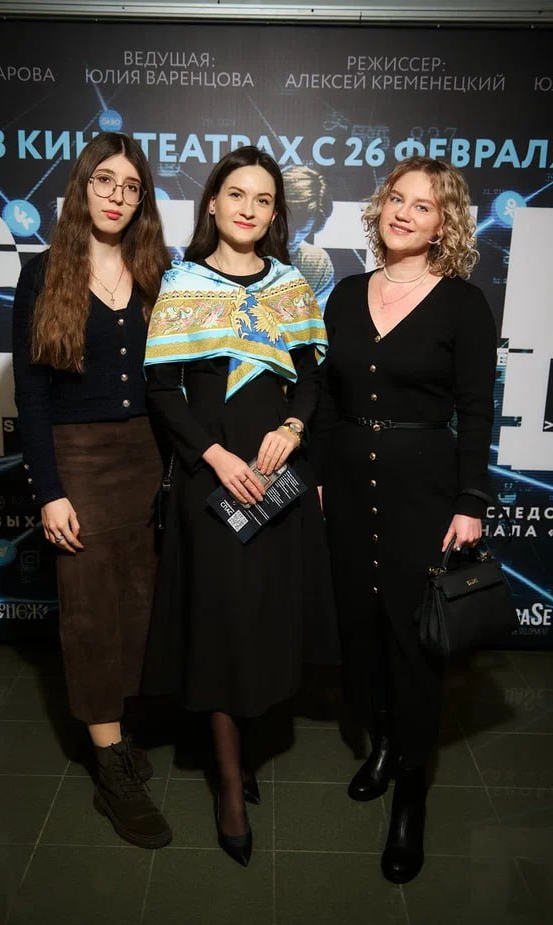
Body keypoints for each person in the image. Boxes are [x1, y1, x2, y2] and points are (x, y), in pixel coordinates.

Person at [143, 146, 338, 867]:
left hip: (278, 481)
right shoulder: (182, 284)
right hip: (213, 480)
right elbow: (162, 392)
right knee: (221, 626)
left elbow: (312, 382)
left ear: (275, 212)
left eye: (263, 198)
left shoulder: (292, 286)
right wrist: (216, 457)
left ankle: (247, 752)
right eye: (236, 194)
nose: (249, 208)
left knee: (263, 620)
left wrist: (292, 429)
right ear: (212, 204)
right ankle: (228, 785)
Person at [310, 156, 496, 883]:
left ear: (443, 224)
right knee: (361, 635)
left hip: (426, 491)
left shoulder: (463, 305)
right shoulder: (345, 293)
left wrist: (470, 502)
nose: (404, 213)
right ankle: (383, 744)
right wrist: (318, 476)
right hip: (347, 485)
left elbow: (475, 411)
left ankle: (411, 796)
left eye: (423, 205)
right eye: (396, 198)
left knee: (415, 646)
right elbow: (327, 398)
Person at [12, 132, 172, 849]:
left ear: (142, 201)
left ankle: (121, 735)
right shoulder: (44, 273)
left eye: (131, 186)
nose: (117, 195)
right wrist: (50, 490)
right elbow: (31, 394)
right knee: (90, 615)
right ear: (82, 187)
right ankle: (111, 770)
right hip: (77, 461)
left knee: (140, 607)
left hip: (149, 458)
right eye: (105, 180)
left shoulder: (157, 270)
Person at [283, 165, 335, 311]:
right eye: (287, 223)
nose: (292, 237)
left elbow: (319, 321)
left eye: (303, 230)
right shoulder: (239, 253)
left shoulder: (316, 263)